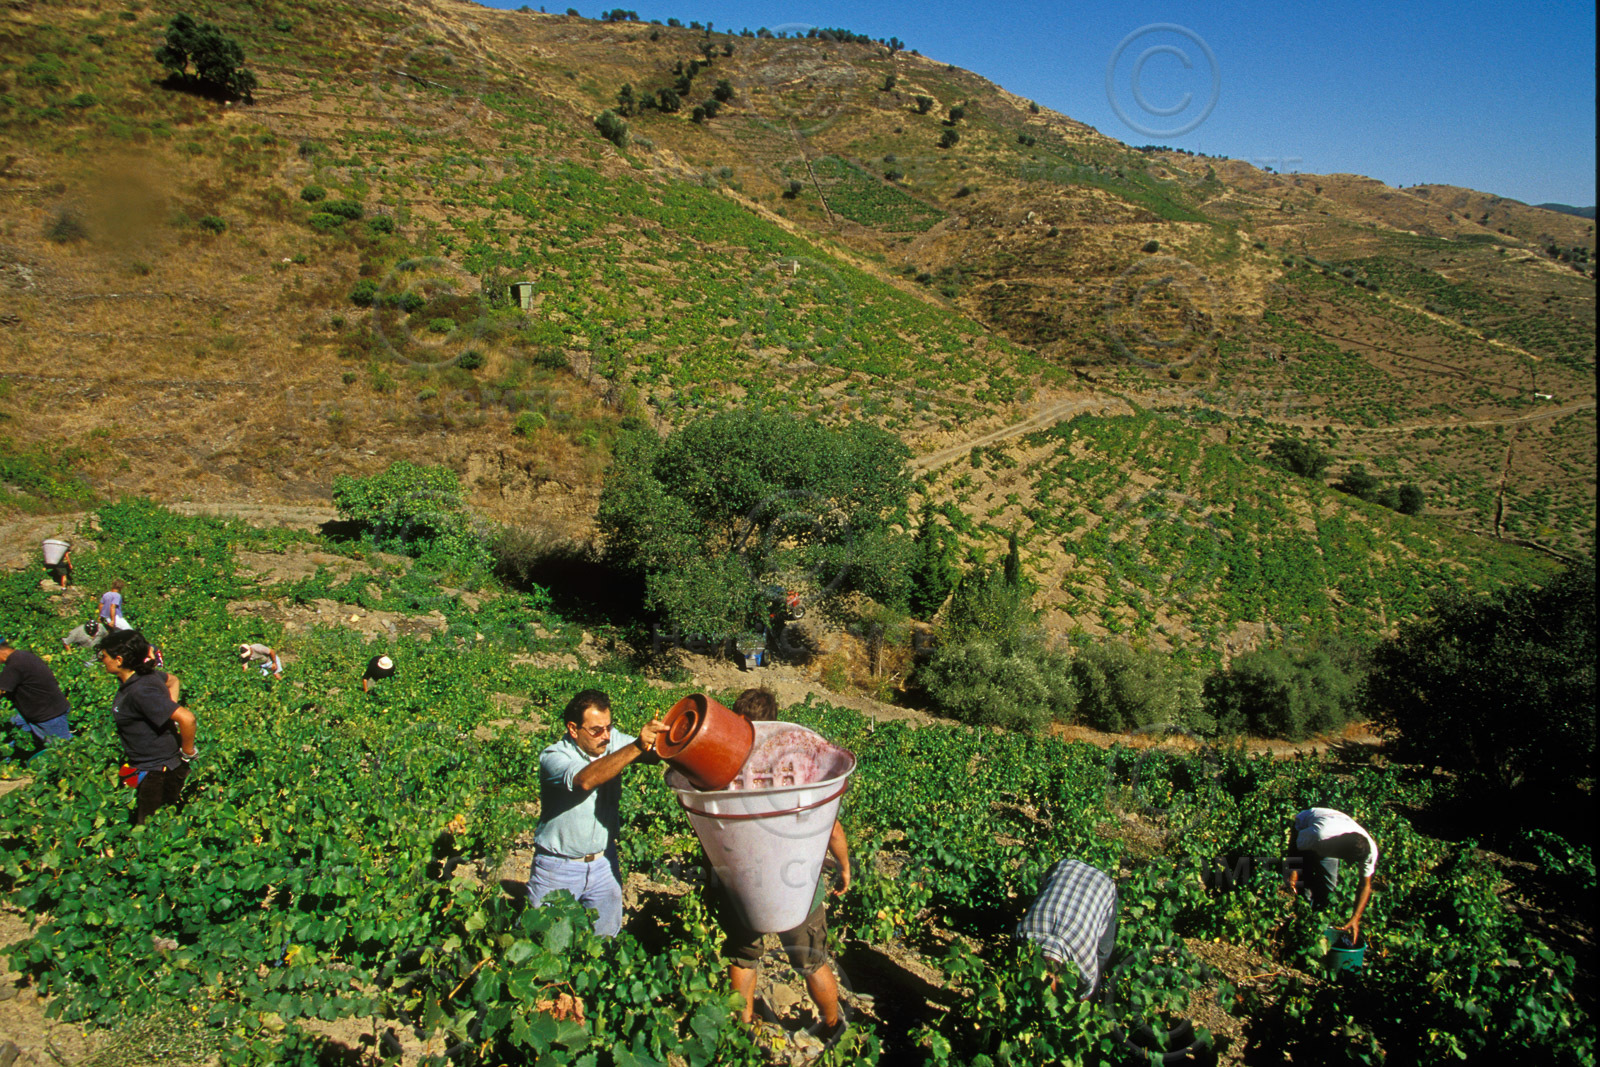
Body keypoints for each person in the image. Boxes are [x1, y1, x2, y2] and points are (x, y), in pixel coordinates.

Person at [715, 687, 850, 1051]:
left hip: (741, 880)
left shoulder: (721, 765)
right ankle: (833, 1025)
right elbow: (832, 827)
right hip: (797, 882)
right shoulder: (799, 767)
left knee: (743, 958)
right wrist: (845, 866)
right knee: (811, 960)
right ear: (776, 722)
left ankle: (740, 1028)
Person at [526, 689, 667, 937]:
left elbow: (652, 756)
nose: (605, 736)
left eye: (609, 727)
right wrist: (636, 745)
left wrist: (664, 739)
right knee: (544, 947)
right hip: (557, 868)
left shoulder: (610, 740)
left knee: (603, 945)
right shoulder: (554, 756)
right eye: (596, 730)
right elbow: (585, 780)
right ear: (573, 729)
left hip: (603, 864)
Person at [101, 630, 197, 826]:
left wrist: (188, 753)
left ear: (119, 660)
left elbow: (187, 719)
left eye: (104, 656)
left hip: (158, 772)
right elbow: (173, 681)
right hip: (148, 765)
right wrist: (163, 711)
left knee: (149, 830)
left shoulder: (140, 691)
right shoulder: (144, 677)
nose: (102, 660)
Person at [1017, 858, 1119, 1000]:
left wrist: (1082, 1002)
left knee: (1102, 953)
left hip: (1103, 886)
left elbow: (1086, 993)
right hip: (1064, 866)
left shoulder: (1084, 963)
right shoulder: (1022, 933)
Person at [1285, 807, 1378, 944]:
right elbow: (1296, 844)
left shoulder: (1369, 851)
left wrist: (1355, 918)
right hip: (1305, 824)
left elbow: (1365, 885)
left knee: (1329, 887)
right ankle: (1301, 923)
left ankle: (1317, 922)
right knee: (1304, 882)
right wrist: (1293, 871)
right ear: (1340, 850)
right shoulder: (1320, 835)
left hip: (1333, 826)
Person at [0, 636, 73, 761]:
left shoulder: (14, 665)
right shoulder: (22, 656)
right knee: (12, 723)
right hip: (40, 711)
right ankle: (6, 760)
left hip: (49, 715)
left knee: (65, 753)